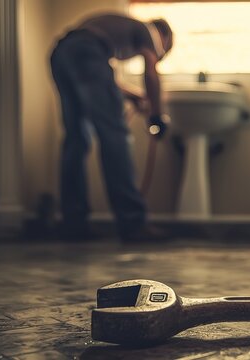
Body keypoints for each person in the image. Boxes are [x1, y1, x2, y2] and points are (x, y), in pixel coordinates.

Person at [50, 14, 173, 241]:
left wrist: (134, 96)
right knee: (115, 136)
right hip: (86, 52)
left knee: (76, 140)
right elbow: (151, 73)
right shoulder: (149, 31)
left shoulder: (114, 31)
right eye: (162, 52)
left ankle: (73, 224)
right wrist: (157, 115)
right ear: (163, 37)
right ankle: (133, 223)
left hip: (62, 53)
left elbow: (99, 75)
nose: (158, 55)